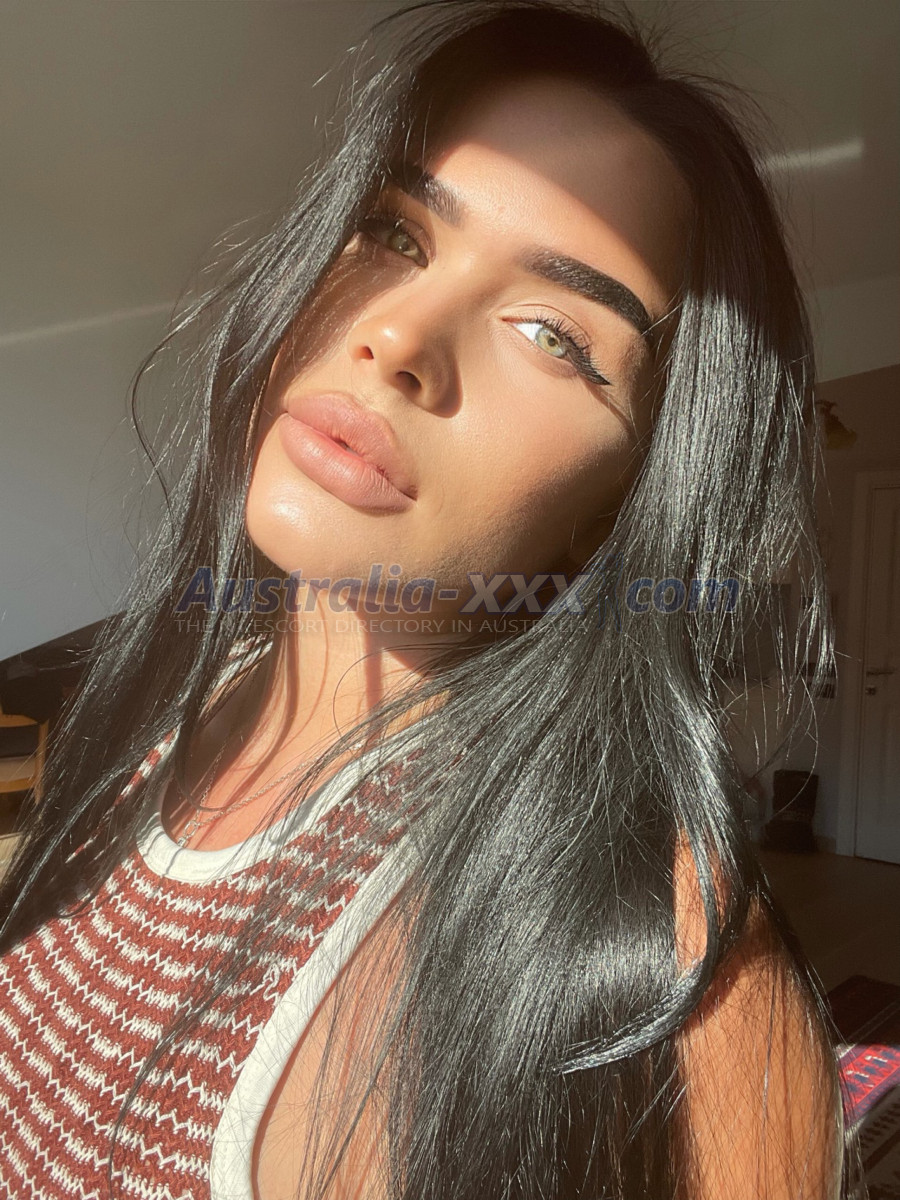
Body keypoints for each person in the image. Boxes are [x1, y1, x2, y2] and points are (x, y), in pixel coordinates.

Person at [0, 2, 863, 1197]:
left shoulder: (667, 976)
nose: (398, 334)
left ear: (628, 495)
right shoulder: (146, 711)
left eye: (552, 333)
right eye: (394, 234)